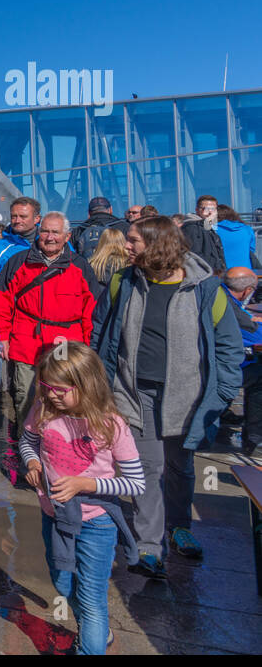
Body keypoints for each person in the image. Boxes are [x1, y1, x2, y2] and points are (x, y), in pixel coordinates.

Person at [92, 216, 243, 576]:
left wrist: (220, 394)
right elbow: (101, 330)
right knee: (148, 467)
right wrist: (99, 382)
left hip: (188, 397)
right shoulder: (122, 281)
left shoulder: (205, 288)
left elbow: (229, 348)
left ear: (157, 245)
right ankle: (148, 546)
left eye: (133, 241)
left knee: (179, 467)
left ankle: (179, 528)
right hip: (134, 392)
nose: (125, 247)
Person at [20, 343, 144, 655]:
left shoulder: (111, 424)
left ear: (86, 385)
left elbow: (135, 484)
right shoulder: (43, 410)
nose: (50, 395)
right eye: (45, 386)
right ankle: (97, 632)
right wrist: (32, 463)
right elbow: (27, 441)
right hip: (55, 517)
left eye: (59, 390)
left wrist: (84, 484)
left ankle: (90, 641)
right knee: (63, 584)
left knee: (91, 599)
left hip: (96, 524)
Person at [0, 212, 99, 485]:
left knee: (64, 399)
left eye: (55, 233)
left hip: (65, 344)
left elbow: (90, 309)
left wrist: (85, 347)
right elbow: (0, 301)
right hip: (26, 341)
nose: (49, 237)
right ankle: (31, 455)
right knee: (26, 398)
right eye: (45, 232)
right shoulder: (18, 263)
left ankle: (61, 452)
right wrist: (1, 336)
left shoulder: (80, 266)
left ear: (67, 237)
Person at [221, 267, 262, 455]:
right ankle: (254, 437)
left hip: (212, 363)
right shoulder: (229, 306)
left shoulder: (220, 294)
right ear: (247, 291)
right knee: (259, 376)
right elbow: (254, 334)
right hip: (220, 369)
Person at [0, 196, 41, 285]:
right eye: (14, 216)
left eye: (23, 216)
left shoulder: (51, 244)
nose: (17, 220)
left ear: (36, 219)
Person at [180, 195, 227, 274]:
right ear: (197, 210)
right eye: (204, 208)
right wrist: (211, 271)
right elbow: (194, 255)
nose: (209, 212)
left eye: (213, 209)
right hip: (205, 276)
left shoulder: (208, 226)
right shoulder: (192, 228)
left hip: (216, 274)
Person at [216, 204, 261, 270]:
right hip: (246, 271)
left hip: (221, 273)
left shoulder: (212, 230)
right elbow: (251, 250)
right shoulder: (247, 229)